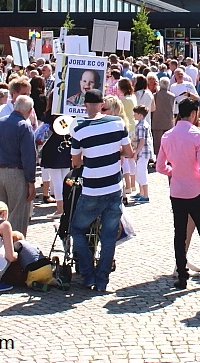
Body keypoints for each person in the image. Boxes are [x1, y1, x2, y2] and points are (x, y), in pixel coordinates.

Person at [157, 97, 200, 290]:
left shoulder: (167, 136)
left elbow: (160, 166)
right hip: (195, 189)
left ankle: (182, 274)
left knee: (179, 234)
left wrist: (174, 171)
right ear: (194, 114)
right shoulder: (197, 136)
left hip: (177, 190)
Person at [70, 89, 131, 292]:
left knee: (77, 229)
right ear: (102, 103)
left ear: (85, 105)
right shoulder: (117, 123)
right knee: (108, 235)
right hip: (114, 186)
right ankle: (102, 279)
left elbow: (76, 162)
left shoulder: (78, 128)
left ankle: (88, 274)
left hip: (92, 188)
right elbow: (129, 153)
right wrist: (112, 150)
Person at [0, 95, 37, 235]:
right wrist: (31, 182)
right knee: (17, 216)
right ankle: (15, 250)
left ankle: (0, 249)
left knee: (0, 215)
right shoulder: (24, 126)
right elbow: (29, 157)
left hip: (0, 172)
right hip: (17, 173)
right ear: (29, 110)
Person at [129, 105, 153, 203]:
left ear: (140, 115)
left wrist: (136, 152)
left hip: (143, 153)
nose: (134, 115)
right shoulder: (141, 124)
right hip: (142, 153)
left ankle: (145, 195)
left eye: (135, 113)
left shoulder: (142, 125)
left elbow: (142, 141)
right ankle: (141, 193)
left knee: (142, 173)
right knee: (139, 172)